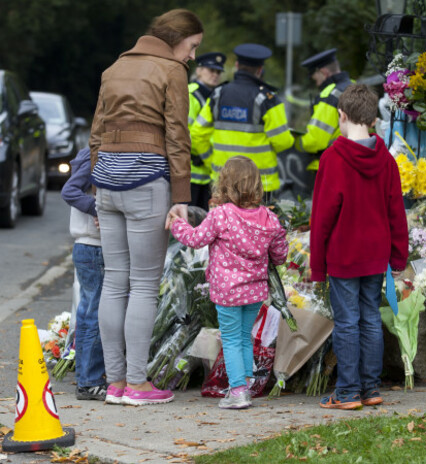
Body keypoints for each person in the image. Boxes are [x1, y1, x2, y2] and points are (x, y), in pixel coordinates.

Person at [88, 8, 203, 406]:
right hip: (146, 182)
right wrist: (182, 198)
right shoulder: (171, 71)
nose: (191, 56)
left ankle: (115, 382)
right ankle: (137, 383)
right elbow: (177, 135)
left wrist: (97, 183)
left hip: (107, 183)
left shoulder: (114, 68)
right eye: (192, 47)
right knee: (142, 285)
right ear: (177, 40)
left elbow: (96, 134)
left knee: (114, 281)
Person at [309, 84, 409, 410]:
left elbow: (322, 217)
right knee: (369, 318)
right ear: (371, 117)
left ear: (342, 115)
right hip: (375, 256)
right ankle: (370, 388)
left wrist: (317, 265)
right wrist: (398, 256)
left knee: (347, 322)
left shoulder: (333, 159)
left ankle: (348, 392)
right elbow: (397, 212)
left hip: (343, 255)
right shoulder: (387, 161)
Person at [168, 156, 288, 409]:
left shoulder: (221, 215)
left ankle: (238, 391)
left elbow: (195, 238)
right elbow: (280, 254)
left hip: (228, 292)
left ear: (225, 185)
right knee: (244, 337)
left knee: (231, 339)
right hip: (255, 291)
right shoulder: (268, 218)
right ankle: (244, 384)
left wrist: (177, 225)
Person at [190, 43, 294, 198]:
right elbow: (283, 142)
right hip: (258, 183)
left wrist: (210, 161)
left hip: (222, 181)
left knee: (222, 222)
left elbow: (197, 134)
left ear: (237, 66)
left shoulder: (218, 95)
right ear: (260, 70)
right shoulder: (267, 100)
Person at [61, 147, 106, 401]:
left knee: (90, 311)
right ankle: (89, 380)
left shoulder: (92, 153)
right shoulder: (94, 155)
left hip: (89, 246)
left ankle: (88, 377)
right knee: (93, 313)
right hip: (92, 246)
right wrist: (96, 208)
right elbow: (69, 191)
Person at [294, 48, 353, 172]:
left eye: (314, 76)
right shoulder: (355, 86)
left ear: (323, 72)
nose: (315, 82)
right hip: (354, 161)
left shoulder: (330, 95)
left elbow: (316, 140)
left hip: (331, 166)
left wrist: (293, 144)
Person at [188, 52, 226, 210]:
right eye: (211, 70)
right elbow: (185, 130)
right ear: (198, 71)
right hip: (191, 168)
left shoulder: (217, 95)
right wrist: (199, 154)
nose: (215, 75)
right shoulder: (191, 93)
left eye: (218, 72)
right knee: (188, 219)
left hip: (209, 170)